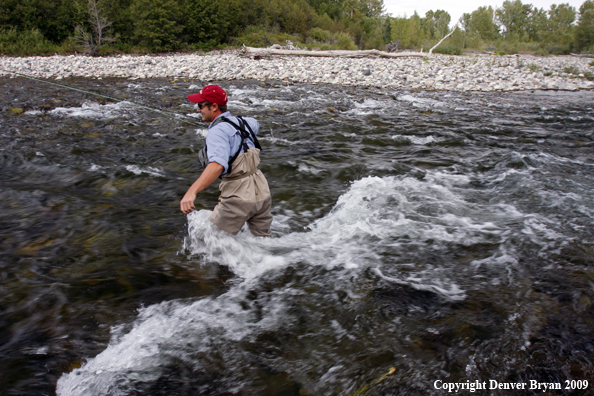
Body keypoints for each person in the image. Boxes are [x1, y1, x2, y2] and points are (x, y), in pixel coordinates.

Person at [180, 84, 273, 237]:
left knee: (211, 241)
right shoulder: (246, 122)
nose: (198, 110)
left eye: (201, 105)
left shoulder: (217, 132)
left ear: (214, 106)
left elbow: (217, 165)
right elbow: (256, 124)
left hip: (239, 195)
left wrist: (191, 192)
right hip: (262, 190)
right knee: (264, 241)